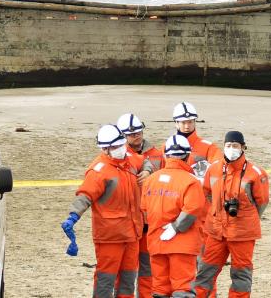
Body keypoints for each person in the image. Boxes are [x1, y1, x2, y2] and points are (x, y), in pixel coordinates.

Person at [61, 124, 144, 298]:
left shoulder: (129, 159)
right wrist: (73, 216)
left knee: (128, 280)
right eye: (115, 147)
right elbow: (85, 195)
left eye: (121, 145)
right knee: (106, 280)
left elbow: (147, 161)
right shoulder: (98, 171)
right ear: (105, 149)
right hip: (110, 238)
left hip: (132, 235)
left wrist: (148, 170)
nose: (120, 149)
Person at [196, 131, 269, 298]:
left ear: (243, 147)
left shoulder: (256, 173)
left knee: (241, 275)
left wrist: (246, 218)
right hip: (216, 231)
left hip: (242, 234)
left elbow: (262, 202)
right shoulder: (213, 168)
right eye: (228, 145)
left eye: (235, 146)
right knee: (205, 272)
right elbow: (207, 192)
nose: (231, 149)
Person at [141, 134, 205, 298]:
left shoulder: (151, 180)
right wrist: (176, 227)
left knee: (160, 288)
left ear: (165, 154)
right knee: (183, 287)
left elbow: (145, 210)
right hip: (183, 244)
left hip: (157, 242)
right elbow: (193, 208)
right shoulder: (191, 181)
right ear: (187, 155)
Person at [117, 112, 165, 298]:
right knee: (125, 270)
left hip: (149, 221)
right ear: (122, 135)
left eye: (138, 132)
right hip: (127, 222)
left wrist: (151, 176)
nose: (136, 136)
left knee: (147, 268)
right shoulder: (118, 156)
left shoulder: (157, 155)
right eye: (131, 134)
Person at [171, 102, 222, 168]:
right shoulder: (167, 146)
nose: (187, 126)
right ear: (176, 123)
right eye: (183, 123)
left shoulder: (209, 147)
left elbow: (217, 169)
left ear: (195, 122)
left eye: (190, 122)